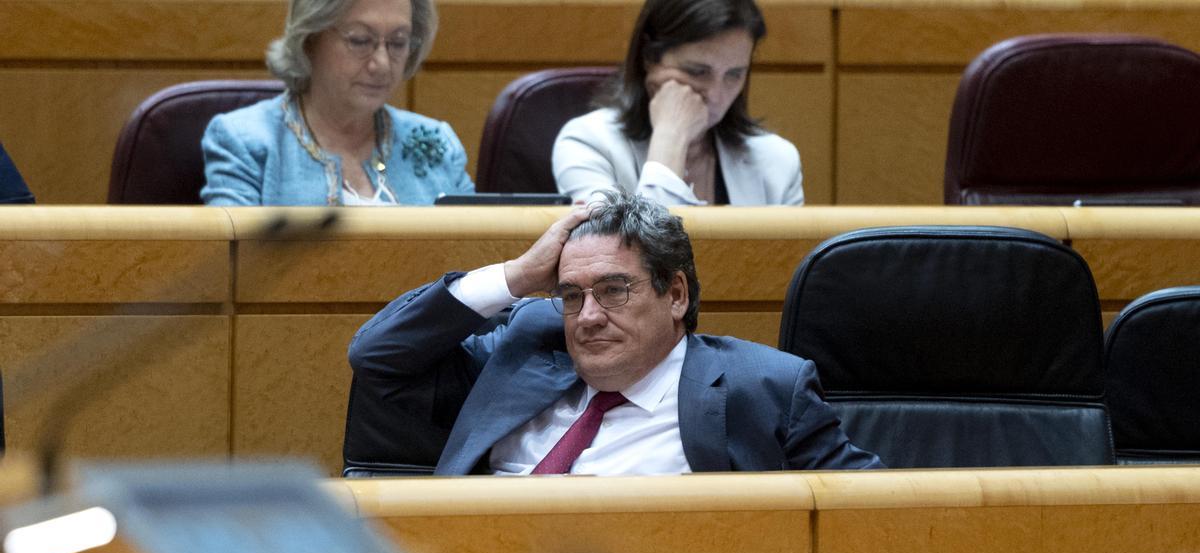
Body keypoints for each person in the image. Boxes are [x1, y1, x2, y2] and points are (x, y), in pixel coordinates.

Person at [348, 191, 880, 475]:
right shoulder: (527, 349)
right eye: (572, 296)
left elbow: (873, 512)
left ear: (675, 295)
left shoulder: (764, 386)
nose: (587, 317)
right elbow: (377, 355)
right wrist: (519, 276)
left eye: (614, 290)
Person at [201, 0, 473, 206]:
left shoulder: (438, 142)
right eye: (360, 40)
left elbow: (477, 261)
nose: (381, 64)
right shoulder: (245, 142)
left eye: (398, 43)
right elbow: (233, 270)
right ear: (310, 39)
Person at [551, 0, 803, 207]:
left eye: (734, 74)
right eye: (697, 71)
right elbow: (633, 257)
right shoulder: (588, 144)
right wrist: (671, 137)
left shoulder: (778, 161)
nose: (716, 94)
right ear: (649, 58)